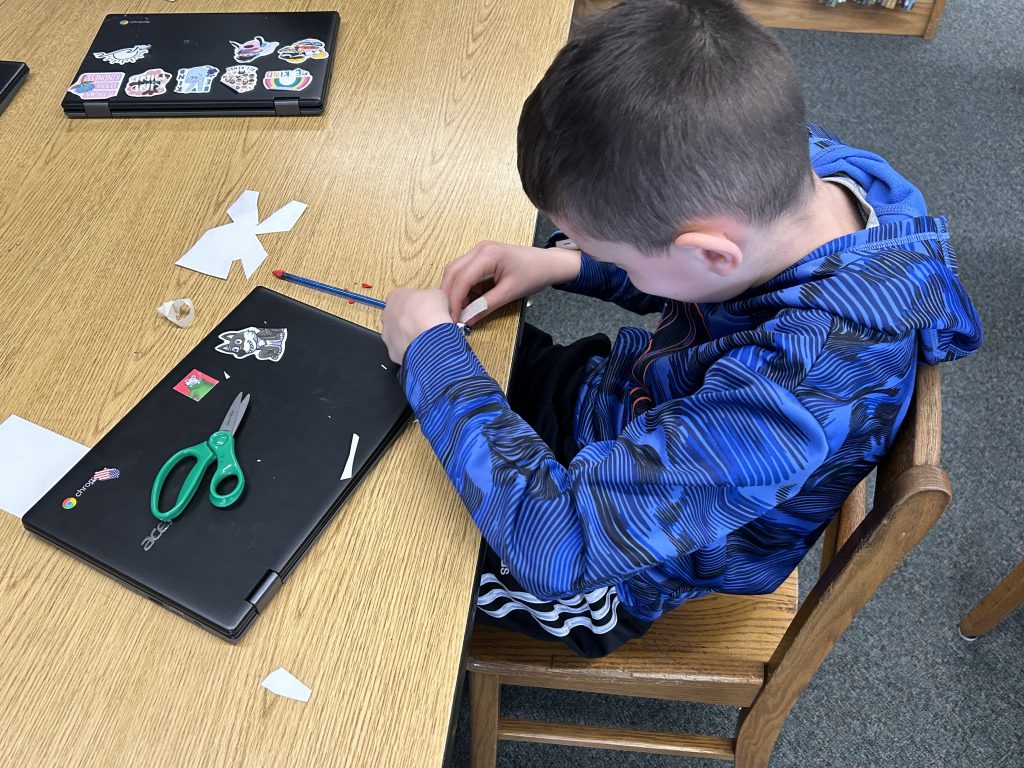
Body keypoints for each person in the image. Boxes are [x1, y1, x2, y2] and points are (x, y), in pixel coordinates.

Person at [379, 0, 982, 658]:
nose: (599, 255)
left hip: (609, 577)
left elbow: (556, 545)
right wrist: (562, 261)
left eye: (613, 250)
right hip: (621, 416)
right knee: (390, 403)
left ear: (709, 251)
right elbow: (697, 271)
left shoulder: (788, 403)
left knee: (383, 561)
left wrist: (435, 357)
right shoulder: (803, 173)